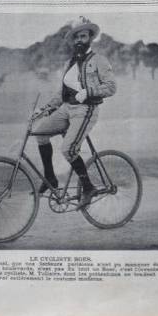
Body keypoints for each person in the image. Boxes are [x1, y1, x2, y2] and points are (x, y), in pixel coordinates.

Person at [31, 17, 117, 207]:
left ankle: (88, 187)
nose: (79, 40)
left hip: (86, 110)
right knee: (39, 133)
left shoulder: (99, 61)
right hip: (66, 109)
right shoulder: (69, 63)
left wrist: (89, 92)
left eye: (83, 36)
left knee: (68, 149)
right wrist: (44, 110)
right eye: (76, 37)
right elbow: (62, 93)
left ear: (90, 38)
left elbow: (111, 87)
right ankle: (50, 178)